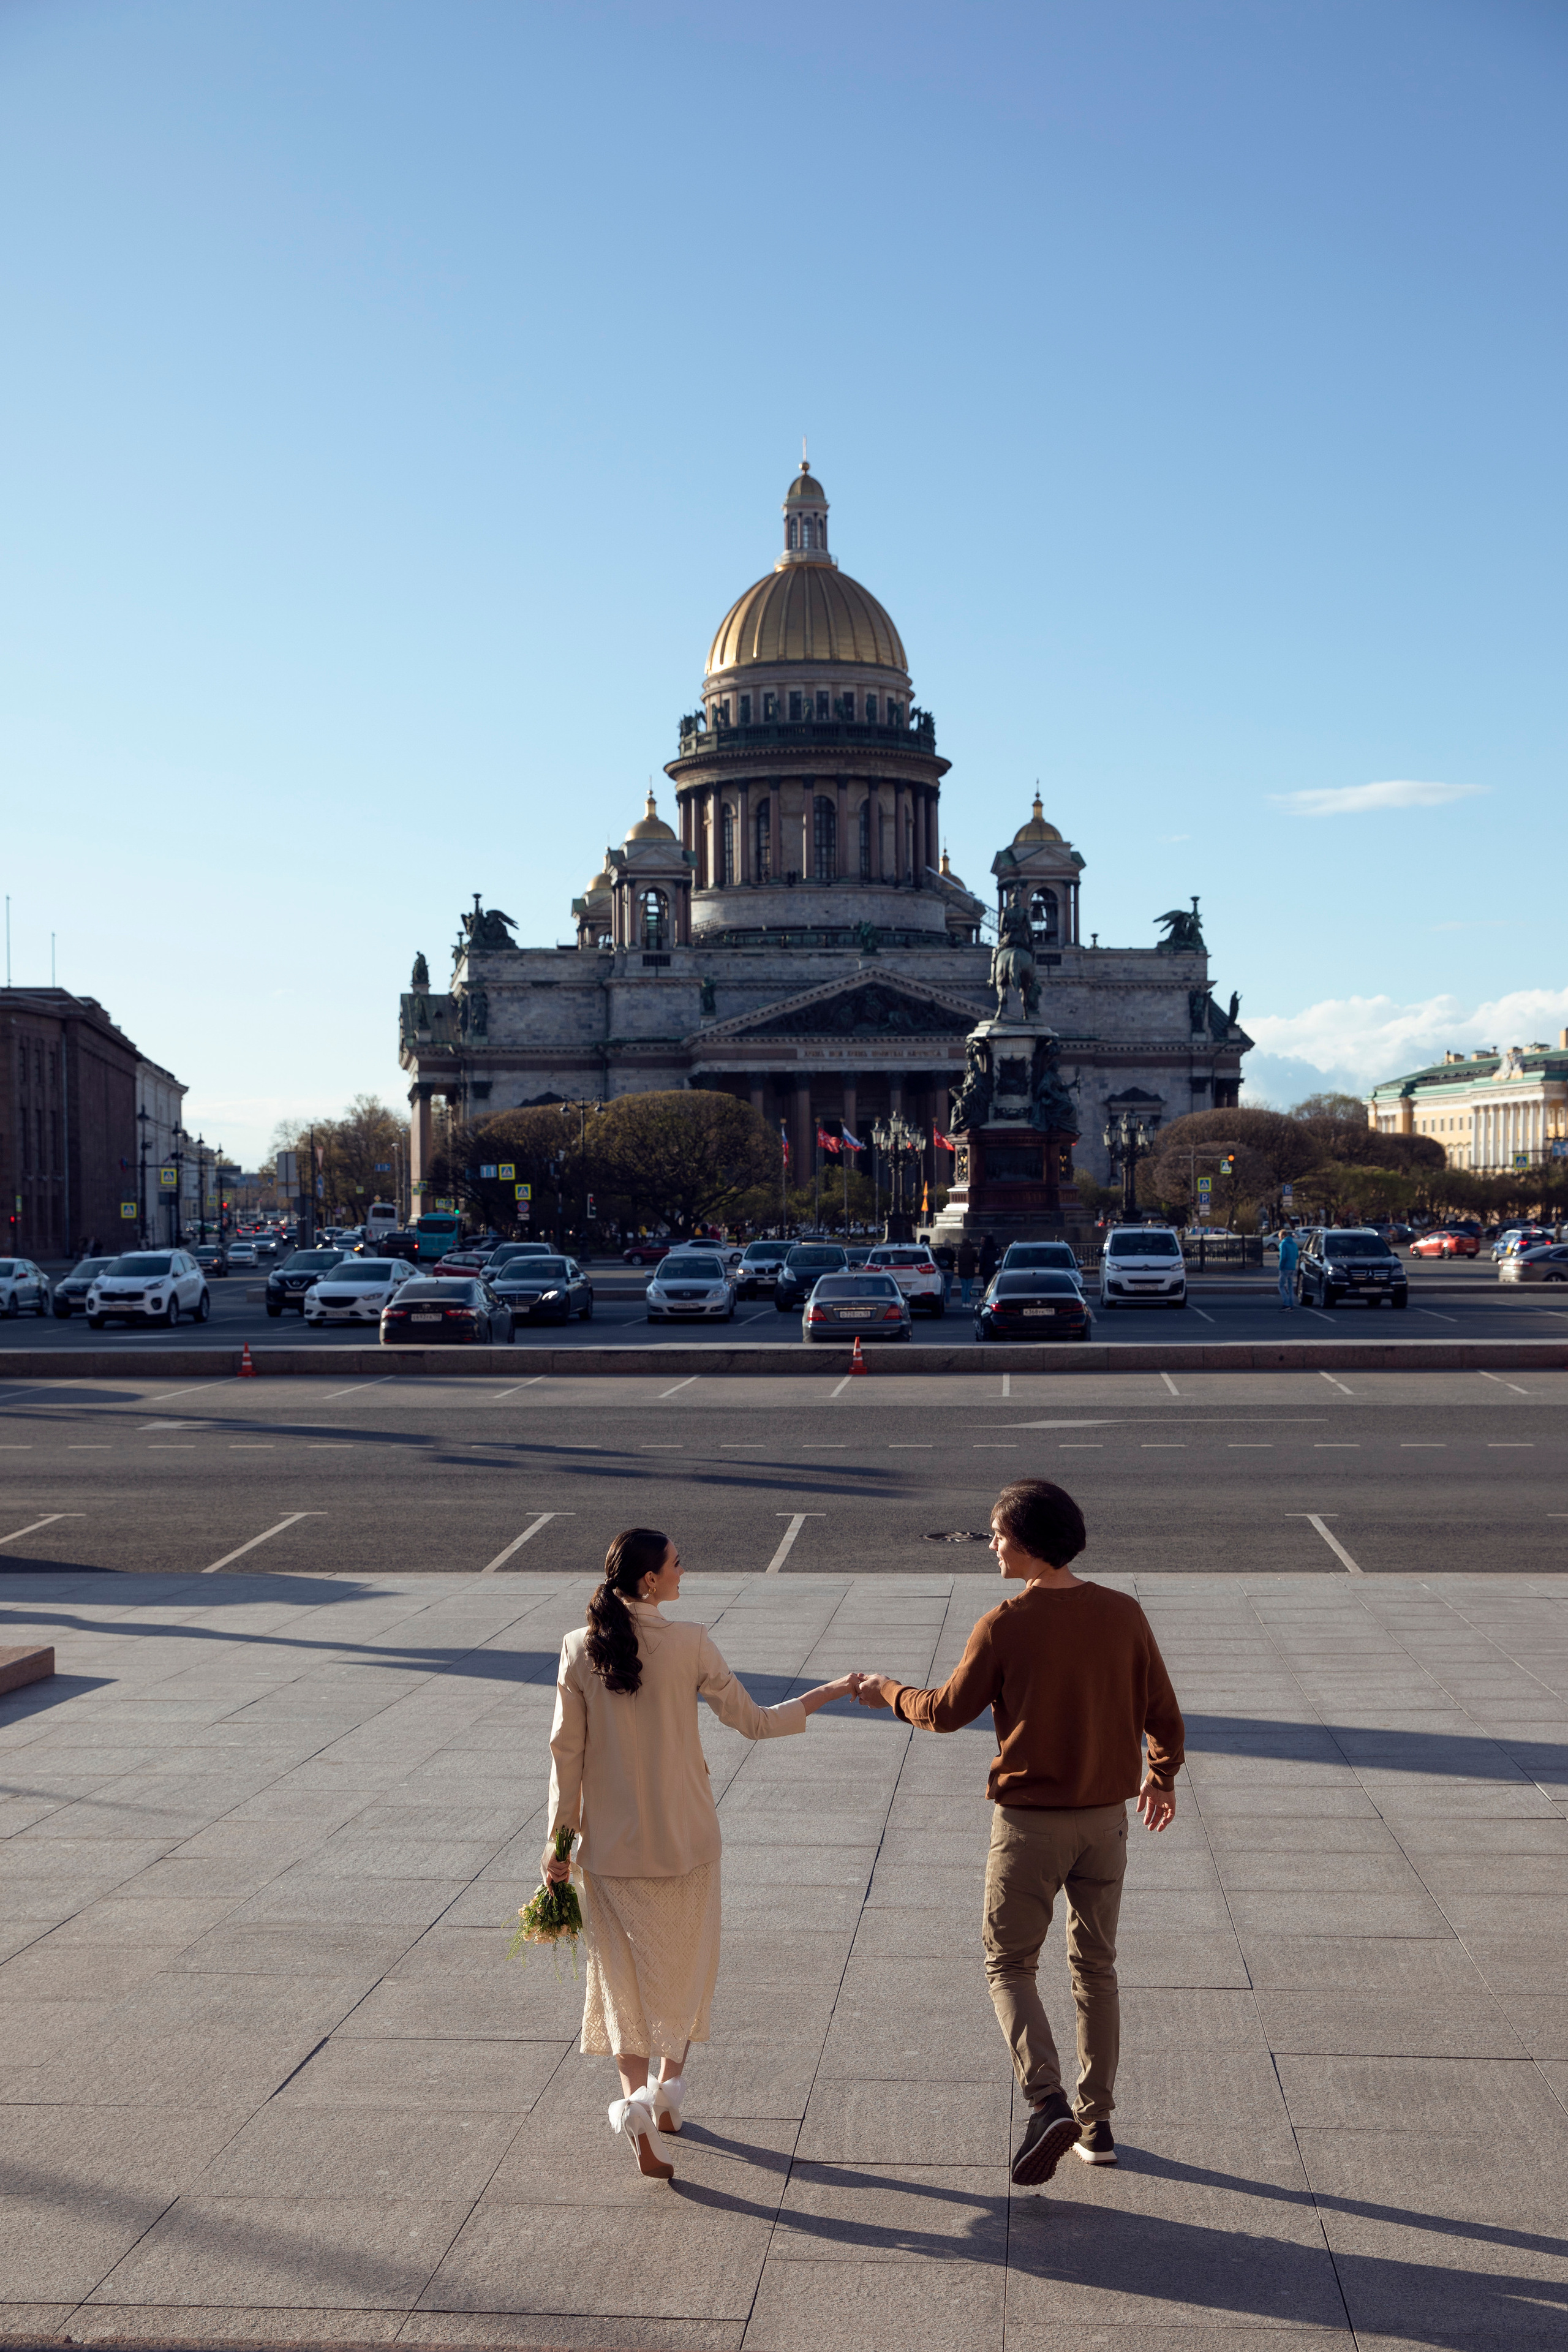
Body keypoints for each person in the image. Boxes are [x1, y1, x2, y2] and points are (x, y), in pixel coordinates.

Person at [855, 1479, 1183, 2187]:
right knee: (1095, 1969)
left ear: (1029, 1543)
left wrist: (883, 1690)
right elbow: (1163, 1709)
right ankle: (1097, 2125)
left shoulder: (1005, 1622)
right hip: (1104, 1824)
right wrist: (1161, 1776)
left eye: (998, 1535)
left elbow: (942, 1712)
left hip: (1029, 1826)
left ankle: (1047, 2102)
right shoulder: (1123, 1613)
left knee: (1009, 1964)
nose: (992, 1545)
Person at [544, 1526, 862, 2180]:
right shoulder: (689, 1642)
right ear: (651, 1581)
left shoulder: (579, 1649)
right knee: (686, 1971)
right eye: (676, 1564)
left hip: (608, 1852)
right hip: (687, 1844)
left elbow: (565, 1757)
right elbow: (756, 1722)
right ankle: (667, 2095)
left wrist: (558, 1847)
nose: (684, 1572)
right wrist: (827, 1693)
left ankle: (636, 2102)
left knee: (622, 1984)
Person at [1277, 1226, 1300, 1310]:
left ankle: (1286, 1303)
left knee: (1281, 1285)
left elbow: (1283, 1257)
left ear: (1282, 1236)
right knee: (1290, 1286)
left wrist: (1280, 1266)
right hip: (1292, 1267)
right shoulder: (1294, 1244)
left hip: (1285, 1267)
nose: (1279, 1239)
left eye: (1279, 1237)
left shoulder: (1283, 1244)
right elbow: (1297, 1256)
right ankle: (1291, 1304)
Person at [956, 1235, 979, 1305]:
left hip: (962, 1272)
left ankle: (964, 1302)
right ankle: (968, 1302)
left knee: (964, 1287)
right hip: (970, 1271)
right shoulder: (973, 1251)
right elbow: (976, 1260)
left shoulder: (960, 1252)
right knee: (969, 1288)